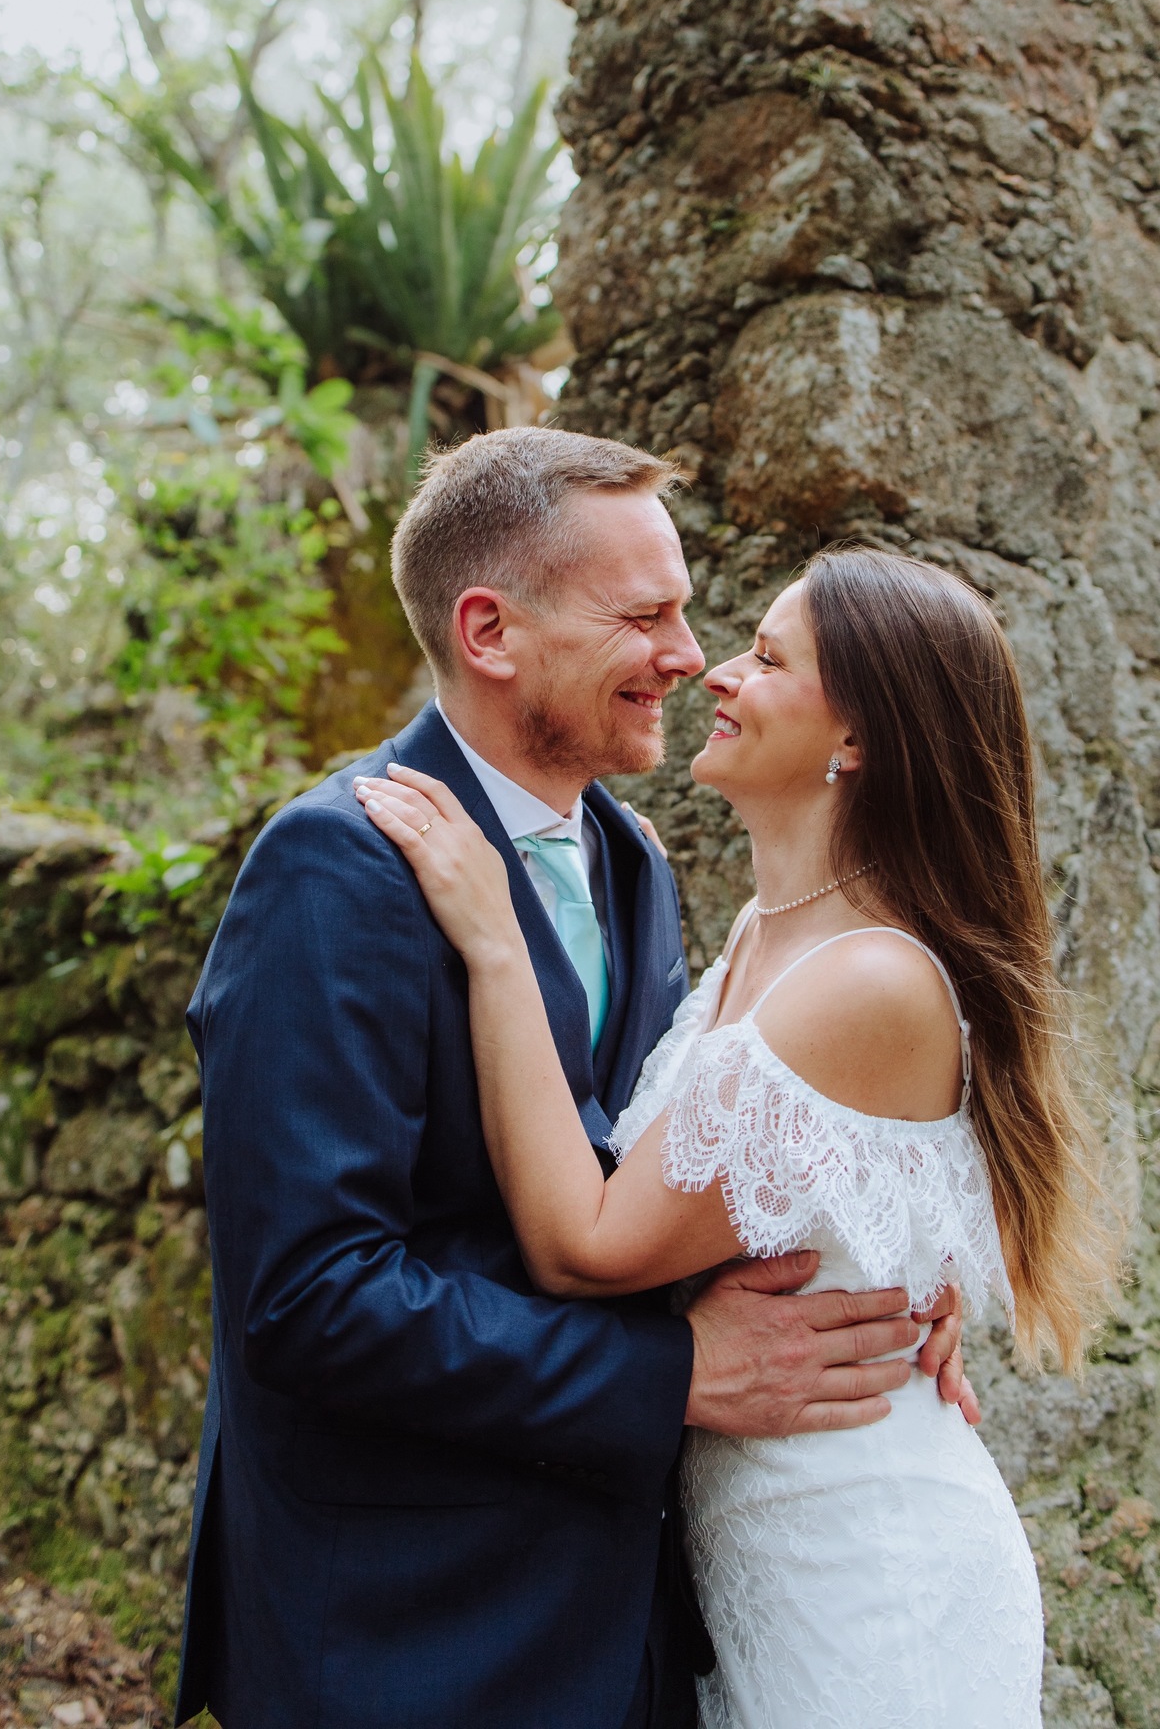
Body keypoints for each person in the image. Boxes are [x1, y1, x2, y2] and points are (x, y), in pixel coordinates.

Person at [174, 430, 969, 1729]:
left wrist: (872, 1272)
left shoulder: (628, 858)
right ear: (491, 633)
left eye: (692, 613)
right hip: (413, 1634)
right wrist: (675, 1379)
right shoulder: (336, 869)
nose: (686, 654)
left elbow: (661, 1171)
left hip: (634, 1629)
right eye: (644, 614)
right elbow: (308, 1298)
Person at [358, 539, 1114, 1728]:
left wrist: (495, 941)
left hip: (869, 1579)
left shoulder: (868, 983)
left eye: (766, 657)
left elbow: (589, 1246)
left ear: (855, 741)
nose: (714, 669)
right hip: (755, 1573)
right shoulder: (757, 941)